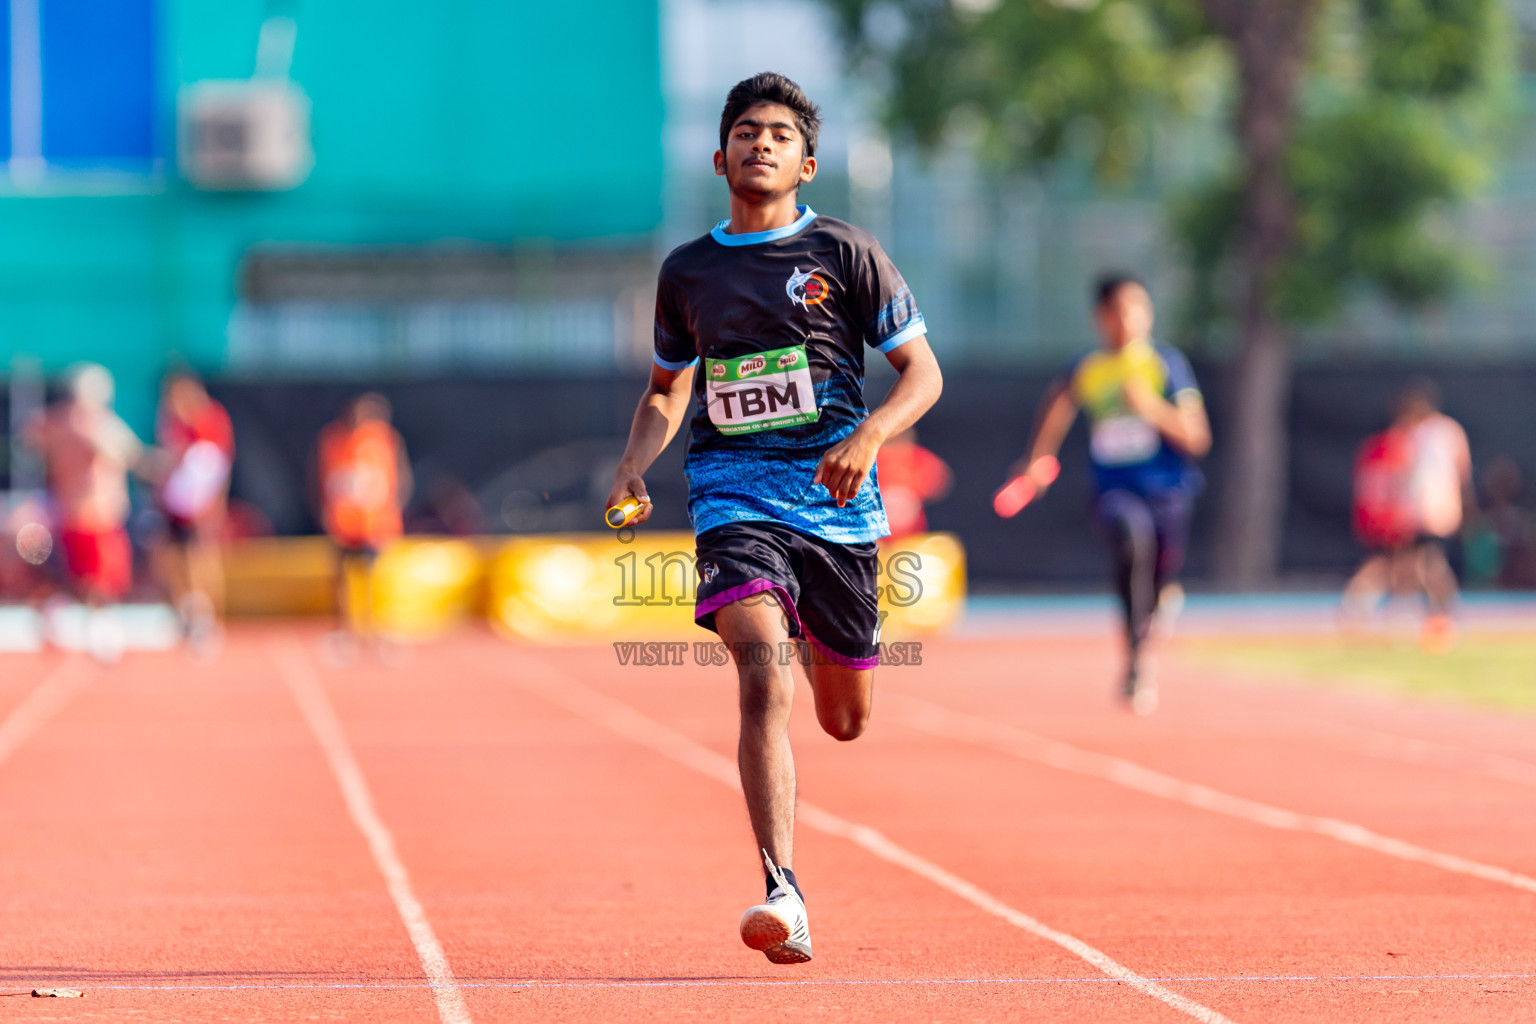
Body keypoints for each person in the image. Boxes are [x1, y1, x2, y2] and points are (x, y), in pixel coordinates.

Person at [606, 72, 942, 965]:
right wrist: (635, 462)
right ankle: (782, 889)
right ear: (720, 157)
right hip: (732, 494)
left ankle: (808, 617)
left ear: (808, 161)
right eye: (747, 131)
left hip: (835, 507)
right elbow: (664, 392)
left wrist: (869, 436)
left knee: (844, 720)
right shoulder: (688, 272)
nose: (762, 142)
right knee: (762, 675)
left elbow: (924, 375)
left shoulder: (845, 252)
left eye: (780, 134)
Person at [1010, 273, 1210, 714]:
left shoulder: (1166, 364)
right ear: (1101, 317)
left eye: (1139, 309)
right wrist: (1037, 461)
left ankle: (1156, 610)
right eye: (1120, 310)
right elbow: (1057, 404)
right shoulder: (1088, 366)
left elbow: (1197, 437)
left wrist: (1151, 408)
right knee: (1129, 539)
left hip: (1169, 493)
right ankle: (1137, 662)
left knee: (1156, 580)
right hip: (1114, 489)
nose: (1130, 320)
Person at [26, 363, 147, 662]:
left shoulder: (53, 422)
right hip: (97, 513)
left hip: (68, 511)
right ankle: (99, 634)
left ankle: (57, 614)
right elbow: (129, 454)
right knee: (101, 579)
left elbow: (30, 438)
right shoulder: (97, 423)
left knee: (79, 576)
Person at [316, 393, 411, 655]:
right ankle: (345, 632)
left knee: (376, 579)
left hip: (376, 523)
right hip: (344, 522)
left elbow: (399, 477)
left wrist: (392, 507)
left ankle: (376, 632)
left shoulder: (386, 440)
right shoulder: (335, 439)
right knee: (342, 579)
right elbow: (325, 479)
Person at [153, 369, 235, 656]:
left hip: (200, 504)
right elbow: (170, 460)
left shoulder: (209, 420)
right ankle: (185, 616)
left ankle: (209, 621)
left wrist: (212, 505)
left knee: (202, 560)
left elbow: (216, 466)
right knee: (172, 560)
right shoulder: (172, 421)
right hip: (174, 504)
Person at [875, 427, 951, 540]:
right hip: (873, 537)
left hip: (912, 534)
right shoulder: (871, 460)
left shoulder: (920, 459)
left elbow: (941, 480)